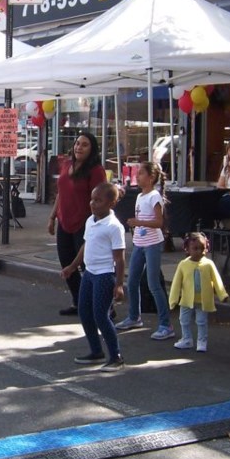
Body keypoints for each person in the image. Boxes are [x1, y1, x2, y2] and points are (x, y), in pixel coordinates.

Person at [61, 182, 125, 371]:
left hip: (105, 275)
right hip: (89, 273)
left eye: (98, 200)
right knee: (84, 311)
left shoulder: (114, 227)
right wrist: (72, 267)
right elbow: (85, 246)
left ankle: (116, 356)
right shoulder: (91, 220)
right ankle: (96, 351)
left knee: (101, 315)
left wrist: (119, 284)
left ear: (111, 203)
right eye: (92, 199)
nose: (93, 203)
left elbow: (120, 259)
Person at [48, 132, 107, 316]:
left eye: (85, 144)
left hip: (85, 223)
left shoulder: (96, 170)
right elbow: (61, 193)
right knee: (67, 264)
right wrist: (52, 217)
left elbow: (102, 198)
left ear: (92, 149)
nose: (79, 147)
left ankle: (105, 306)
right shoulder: (67, 164)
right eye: (77, 143)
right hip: (64, 221)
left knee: (86, 265)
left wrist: (98, 224)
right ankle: (79, 302)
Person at [115, 161, 174, 339]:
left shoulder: (154, 196)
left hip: (152, 244)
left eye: (141, 173)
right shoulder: (140, 196)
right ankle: (134, 316)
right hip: (139, 242)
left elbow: (158, 222)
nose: (137, 176)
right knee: (132, 281)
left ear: (151, 177)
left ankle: (166, 324)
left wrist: (138, 222)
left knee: (153, 283)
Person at [168, 232, 228, 353]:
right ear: (187, 249)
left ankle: (202, 341)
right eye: (195, 248)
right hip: (186, 300)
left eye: (202, 248)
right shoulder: (183, 264)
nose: (199, 251)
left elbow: (217, 280)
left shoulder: (209, 264)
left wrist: (222, 295)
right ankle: (187, 339)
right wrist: (173, 299)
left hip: (203, 300)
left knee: (201, 321)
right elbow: (176, 283)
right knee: (184, 320)